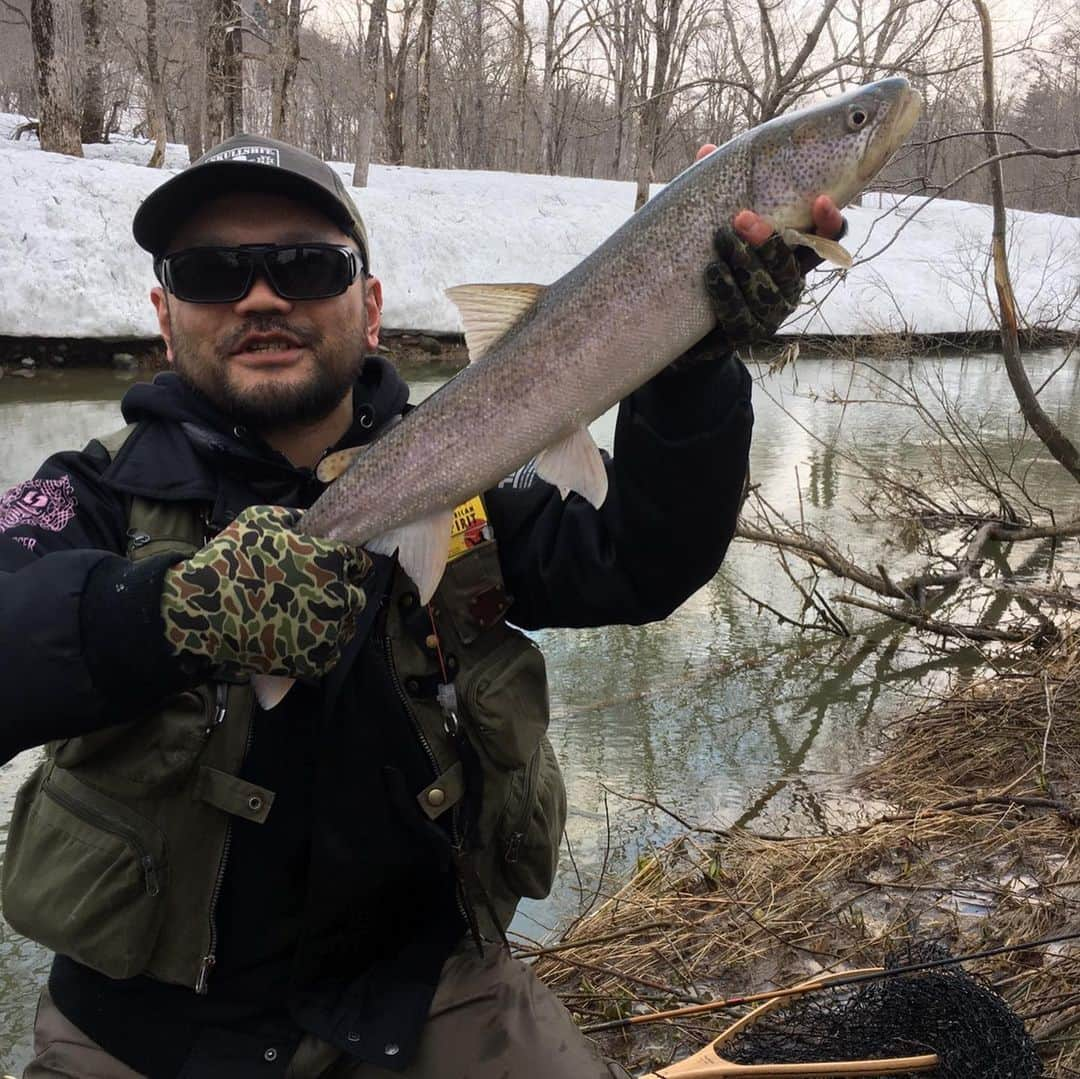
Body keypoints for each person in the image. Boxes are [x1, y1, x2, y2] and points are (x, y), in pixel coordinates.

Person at [0, 134, 841, 1079]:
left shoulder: (471, 464)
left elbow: (640, 560)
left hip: (432, 998)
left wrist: (689, 367)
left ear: (370, 309)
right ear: (165, 315)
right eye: (212, 272)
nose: (262, 296)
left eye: (307, 265)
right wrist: (164, 611)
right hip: (138, 1035)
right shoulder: (89, 495)